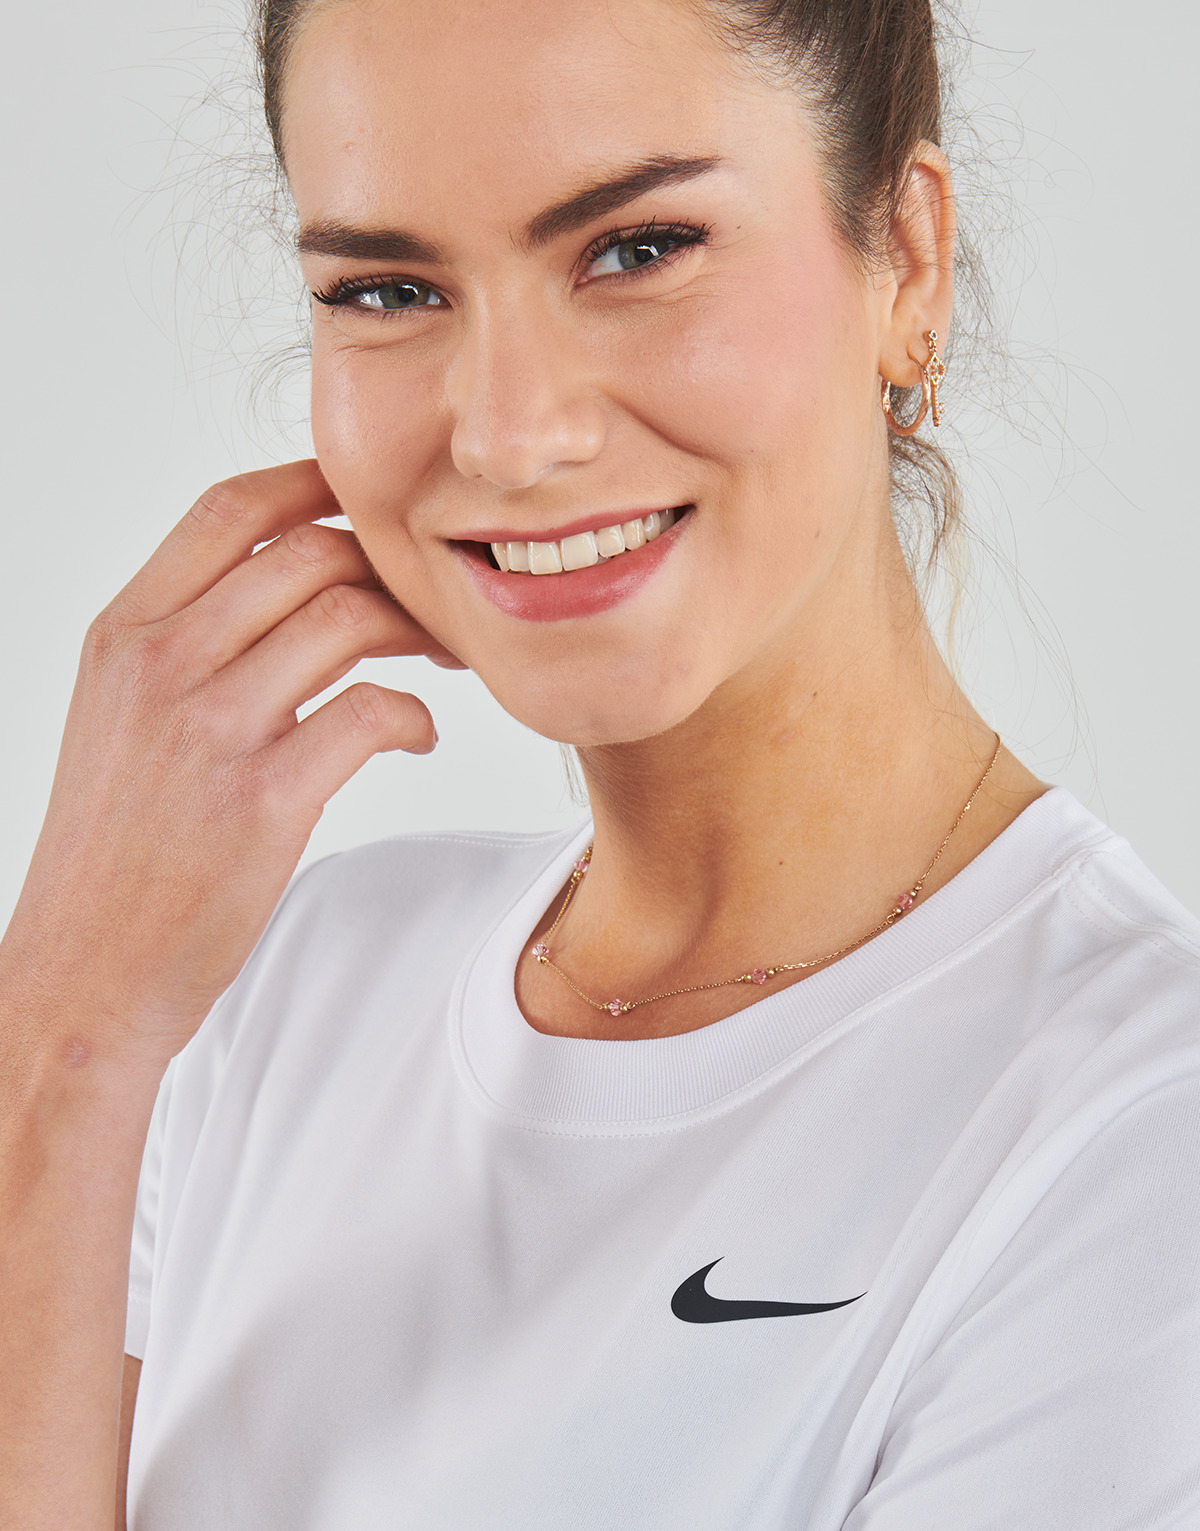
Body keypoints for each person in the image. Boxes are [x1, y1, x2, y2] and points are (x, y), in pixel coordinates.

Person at [2, 0, 1199, 1525]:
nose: (508, 436)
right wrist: (59, 1035)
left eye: (637, 250)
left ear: (908, 260)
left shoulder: (1130, 1138)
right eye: (387, 290)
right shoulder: (272, 999)